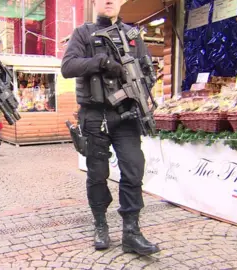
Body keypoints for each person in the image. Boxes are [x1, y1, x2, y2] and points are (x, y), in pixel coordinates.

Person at [61, 0, 159, 255]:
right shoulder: (83, 33)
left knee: (134, 169)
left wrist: (141, 83)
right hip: (95, 115)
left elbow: (147, 71)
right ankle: (101, 223)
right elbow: (68, 67)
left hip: (126, 115)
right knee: (97, 174)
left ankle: (131, 231)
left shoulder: (133, 34)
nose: (109, 1)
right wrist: (101, 62)